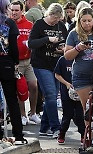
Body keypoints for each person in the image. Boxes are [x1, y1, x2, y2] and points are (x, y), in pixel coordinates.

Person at [28, 3, 68, 138]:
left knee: (52, 96)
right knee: (50, 94)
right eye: (54, 18)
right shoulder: (39, 24)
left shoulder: (61, 26)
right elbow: (31, 43)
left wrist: (62, 48)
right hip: (41, 64)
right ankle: (56, 127)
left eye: (59, 19)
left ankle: (44, 128)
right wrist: (47, 39)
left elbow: (66, 43)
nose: (56, 21)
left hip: (56, 64)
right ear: (49, 14)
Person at [64, 7, 93, 113]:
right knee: (88, 110)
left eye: (89, 20)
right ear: (79, 21)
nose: (87, 23)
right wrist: (78, 48)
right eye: (84, 21)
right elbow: (67, 56)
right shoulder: (73, 34)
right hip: (82, 76)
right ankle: (88, 129)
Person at [0, 0, 27, 144]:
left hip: (5, 63)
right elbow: (14, 48)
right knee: (12, 100)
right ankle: (18, 135)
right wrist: (15, 62)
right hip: (6, 63)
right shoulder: (9, 23)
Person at [10, 0, 40, 126]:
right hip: (15, 63)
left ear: (22, 11)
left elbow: (34, 40)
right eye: (12, 10)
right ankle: (22, 115)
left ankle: (32, 113)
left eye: (17, 10)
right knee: (20, 89)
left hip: (28, 61)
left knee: (33, 85)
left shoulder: (29, 24)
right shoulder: (8, 24)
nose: (14, 12)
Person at [54, 56, 85, 145]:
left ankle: (83, 134)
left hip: (80, 91)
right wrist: (66, 84)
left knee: (80, 115)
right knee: (67, 115)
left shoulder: (84, 59)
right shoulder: (63, 59)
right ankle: (62, 133)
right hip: (66, 92)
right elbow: (57, 74)